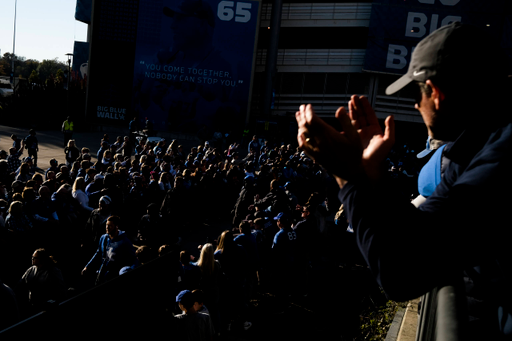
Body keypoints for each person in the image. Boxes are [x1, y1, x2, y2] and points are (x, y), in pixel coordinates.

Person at [295, 22, 511, 338]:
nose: (414, 104)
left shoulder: (501, 160)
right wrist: (373, 173)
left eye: (416, 92)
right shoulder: (477, 144)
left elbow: (402, 274)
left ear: (435, 92)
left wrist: (347, 176)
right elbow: (422, 231)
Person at [82, 215, 136, 285]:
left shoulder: (125, 241)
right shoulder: (103, 238)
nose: (107, 227)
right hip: (102, 273)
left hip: (114, 275)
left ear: (117, 226)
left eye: (110, 225)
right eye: (106, 225)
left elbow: (133, 258)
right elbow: (98, 253)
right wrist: (88, 266)